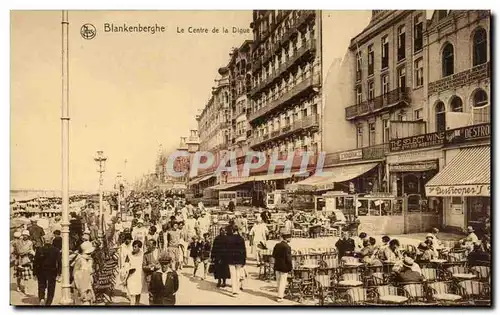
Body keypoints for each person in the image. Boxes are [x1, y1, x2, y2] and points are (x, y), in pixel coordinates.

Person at [33, 234, 61, 305]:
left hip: (41, 270)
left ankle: (41, 298)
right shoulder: (56, 250)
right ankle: (49, 302)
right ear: (51, 241)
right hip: (52, 271)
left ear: (43, 240)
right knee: (51, 287)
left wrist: (34, 273)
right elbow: (59, 262)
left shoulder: (39, 249)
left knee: (41, 285)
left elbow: (35, 262)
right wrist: (59, 273)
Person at [225, 226, 246, 296]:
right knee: (238, 274)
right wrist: (244, 260)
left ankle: (234, 290)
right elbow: (244, 251)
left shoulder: (228, 239)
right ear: (237, 230)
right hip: (239, 259)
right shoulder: (241, 239)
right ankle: (237, 289)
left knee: (233, 275)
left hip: (231, 259)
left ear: (232, 231)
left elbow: (226, 250)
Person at [13, 230, 35, 294]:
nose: (25, 236)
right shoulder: (18, 242)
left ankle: (26, 288)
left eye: (26, 235)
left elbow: (31, 250)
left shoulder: (30, 243)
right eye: (24, 235)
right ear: (22, 235)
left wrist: (35, 255)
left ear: (28, 236)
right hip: (18, 260)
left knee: (26, 276)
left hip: (26, 260)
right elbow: (15, 250)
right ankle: (18, 285)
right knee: (18, 275)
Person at [272, 233, 292, 302]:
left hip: (277, 265)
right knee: (283, 282)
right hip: (284, 267)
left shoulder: (277, 245)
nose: (290, 239)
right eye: (290, 238)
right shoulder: (287, 247)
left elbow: (273, 255)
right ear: (286, 238)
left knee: (278, 281)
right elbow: (288, 259)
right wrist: (290, 268)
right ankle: (280, 296)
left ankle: (279, 295)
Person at [125, 240, 145, 305]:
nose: (134, 248)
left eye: (135, 247)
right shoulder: (129, 255)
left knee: (138, 291)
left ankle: (137, 304)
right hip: (131, 275)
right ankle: (132, 304)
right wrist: (128, 270)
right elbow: (125, 265)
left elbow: (144, 264)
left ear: (139, 247)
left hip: (140, 275)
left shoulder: (143, 255)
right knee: (131, 290)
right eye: (133, 246)